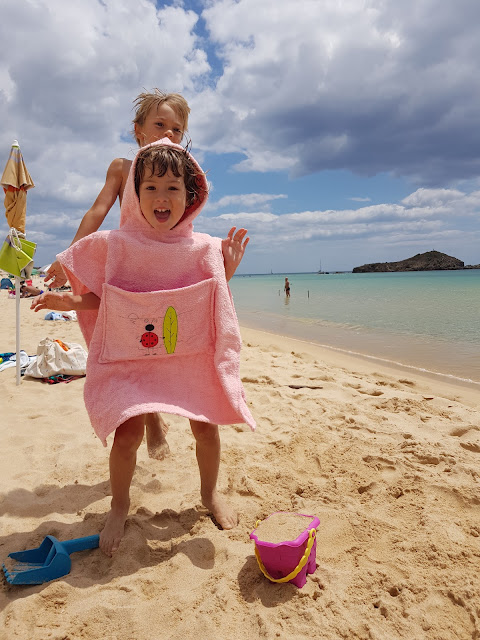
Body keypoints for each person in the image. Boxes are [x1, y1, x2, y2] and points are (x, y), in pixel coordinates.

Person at [31, 139, 256, 556]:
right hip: (135, 359)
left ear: (191, 195)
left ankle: (209, 496)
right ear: (135, 195)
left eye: (172, 188)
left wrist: (226, 269)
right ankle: (119, 506)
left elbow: (207, 299)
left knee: (205, 426)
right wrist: (69, 300)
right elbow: (111, 299)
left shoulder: (202, 247)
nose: (161, 197)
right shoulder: (119, 245)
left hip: (185, 360)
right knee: (127, 434)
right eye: (150, 188)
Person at [44, 89, 249, 461]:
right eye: (159, 125)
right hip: (129, 269)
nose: (168, 135)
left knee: (164, 340)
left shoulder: (178, 169)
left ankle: (154, 419)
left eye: (177, 129)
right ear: (137, 129)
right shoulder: (124, 168)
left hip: (165, 269)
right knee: (133, 346)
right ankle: (150, 420)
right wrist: (70, 255)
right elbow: (98, 210)